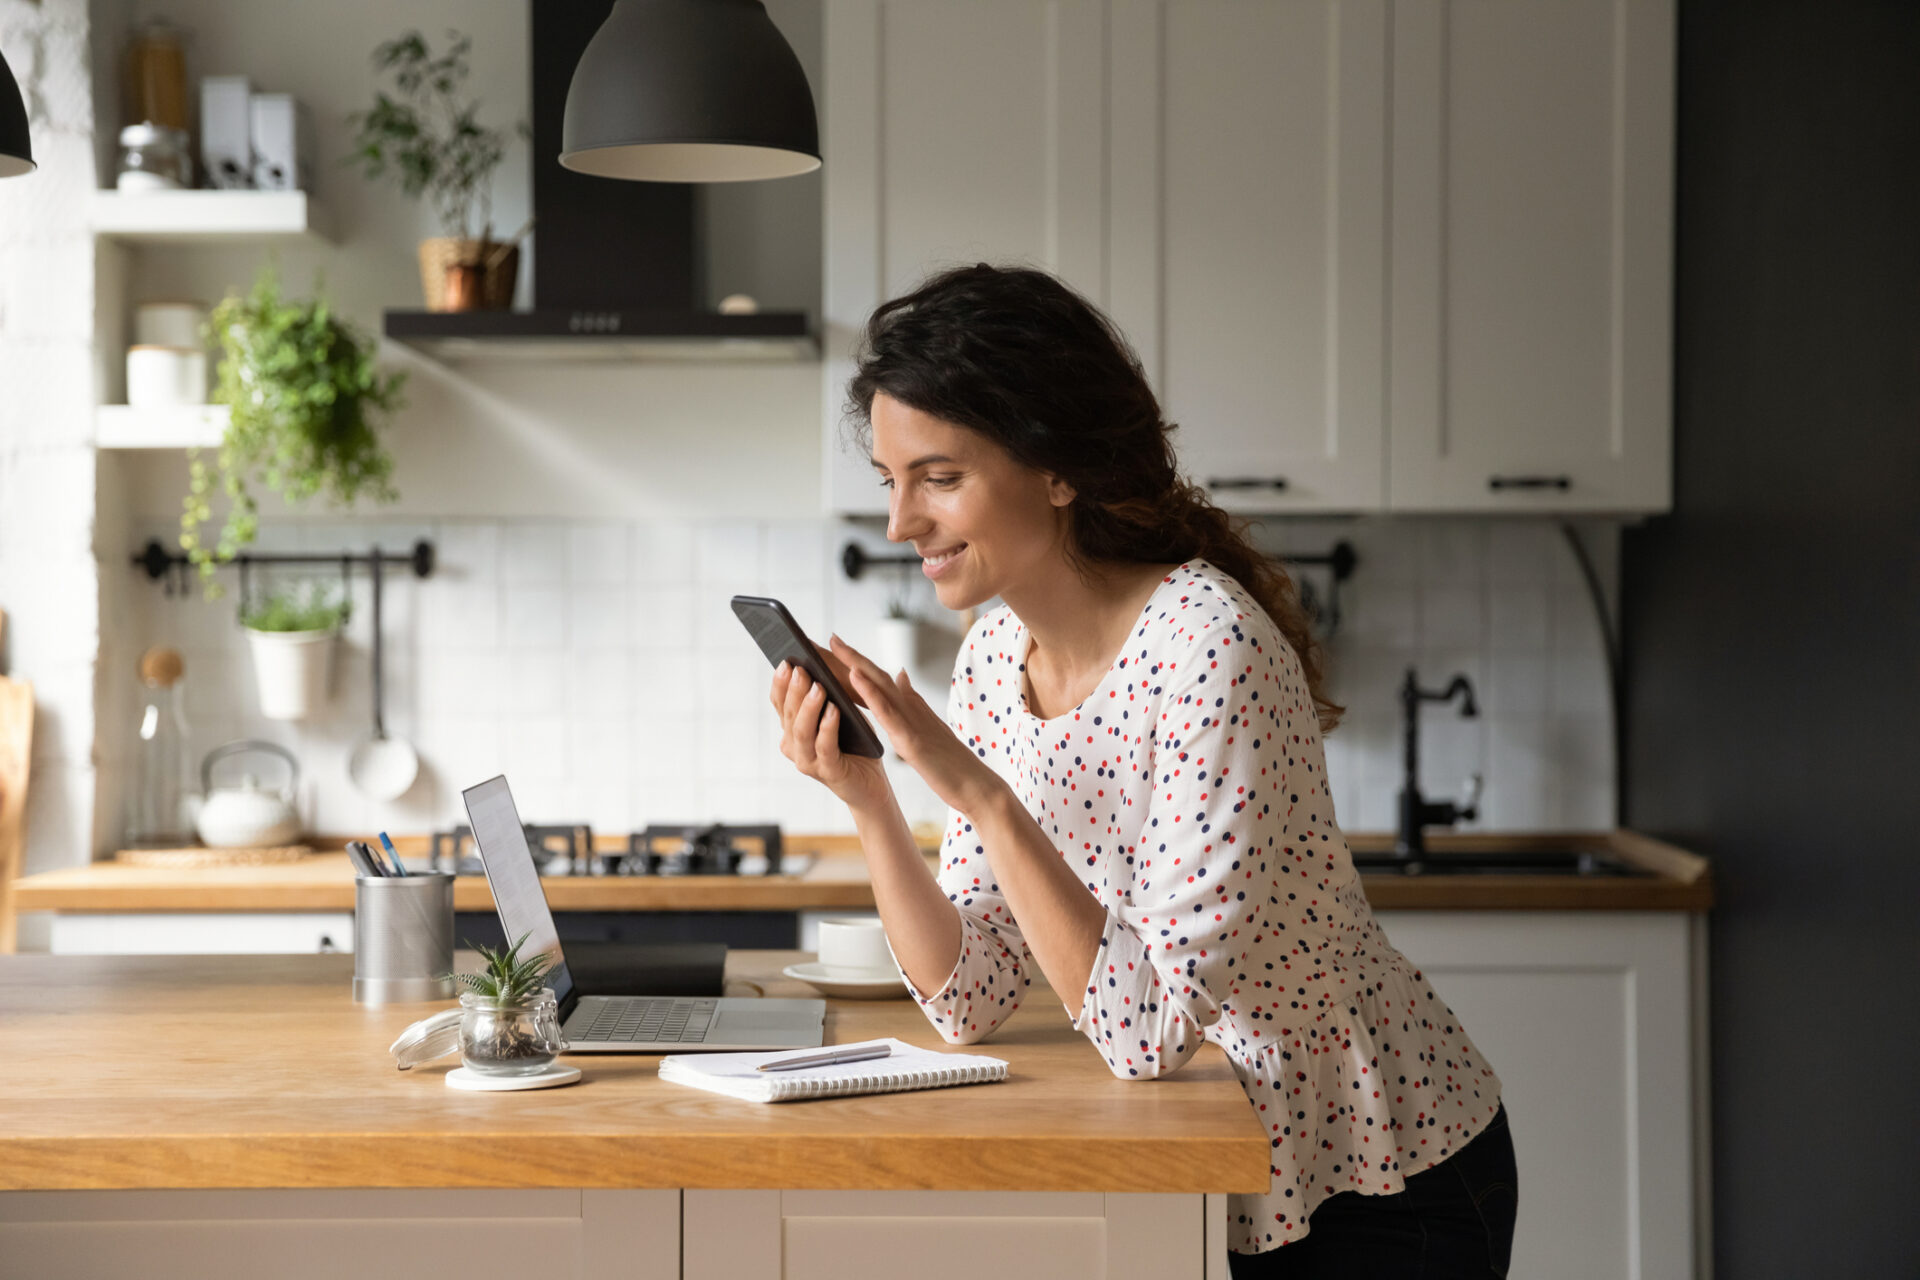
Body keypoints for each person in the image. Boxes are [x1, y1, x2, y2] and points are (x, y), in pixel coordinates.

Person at [767, 262, 1516, 1276]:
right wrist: (871, 801)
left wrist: (977, 791)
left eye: (940, 477)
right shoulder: (996, 656)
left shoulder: (1210, 648)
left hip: (1378, 1175)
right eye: (891, 482)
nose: (902, 524)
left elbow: (1151, 1028)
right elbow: (971, 993)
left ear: (1057, 468)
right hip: (1216, 1164)